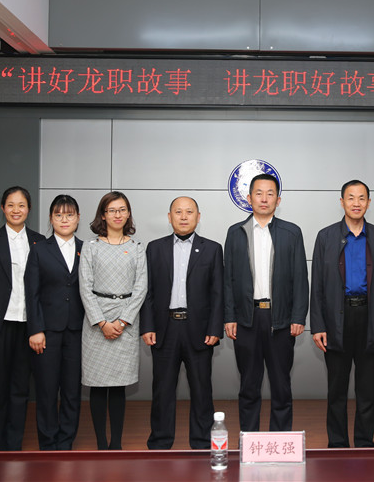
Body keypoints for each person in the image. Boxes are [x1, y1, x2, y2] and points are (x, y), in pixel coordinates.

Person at [310, 180, 374, 447]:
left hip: (370, 319)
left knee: (367, 389)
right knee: (336, 389)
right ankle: (337, 444)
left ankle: (364, 443)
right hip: (337, 319)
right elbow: (317, 285)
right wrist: (317, 325)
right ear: (342, 202)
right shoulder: (326, 237)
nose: (356, 203)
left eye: (361, 198)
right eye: (350, 198)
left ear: (369, 202)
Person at [224, 173, 309, 432]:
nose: (264, 198)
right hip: (247, 319)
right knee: (248, 386)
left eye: (270, 194)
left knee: (281, 386)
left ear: (278, 200)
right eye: (259, 193)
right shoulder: (235, 232)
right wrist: (230, 316)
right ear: (249, 198)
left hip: (280, 319)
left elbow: (300, 278)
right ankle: (249, 440)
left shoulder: (291, 232)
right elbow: (228, 279)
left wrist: (298, 317)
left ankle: (280, 441)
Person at [140, 197, 224, 449]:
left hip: (199, 330)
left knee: (202, 390)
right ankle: (160, 442)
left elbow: (218, 293)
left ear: (198, 216)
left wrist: (215, 328)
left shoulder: (212, 249)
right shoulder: (155, 248)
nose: (184, 216)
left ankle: (201, 443)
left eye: (189, 212)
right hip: (164, 328)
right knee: (162, 390)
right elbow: (147, 291)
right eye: (178, 212)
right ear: (169, 217)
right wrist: (147, 326)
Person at [0, 186, 45, 451]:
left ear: (29, 209)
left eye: (21, 205)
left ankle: (14, 446)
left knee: (20, 388)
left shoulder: (39, 241)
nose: (16, 210)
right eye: (11, 205)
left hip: (28, 325)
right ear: (2, 208)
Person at [79, 191, 146, 450]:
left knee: (118, 386)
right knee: (97, 386)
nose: (117, 214)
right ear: (103, 215)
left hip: (125, 323)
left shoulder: (137, 248)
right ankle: (100, 443)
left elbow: (141, 288)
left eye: (122, 210)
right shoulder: (91, 247)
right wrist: (102, 322)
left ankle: (116, 444)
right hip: (96, 323)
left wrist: (122, 321)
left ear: (128, 214)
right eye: (112, 210)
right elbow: (85, 288)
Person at [24, 195, 84, 450]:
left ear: (78, 218)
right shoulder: (39, 249)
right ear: (51, 218)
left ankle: (66, 441)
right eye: (58, 215)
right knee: (47, 390)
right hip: (46, 331)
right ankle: (48, 443)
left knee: (72, 390)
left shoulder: (87, 248)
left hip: (78, 331)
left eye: (69, 215)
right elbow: (32, 292)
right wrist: (35, 329)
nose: (64, 220)